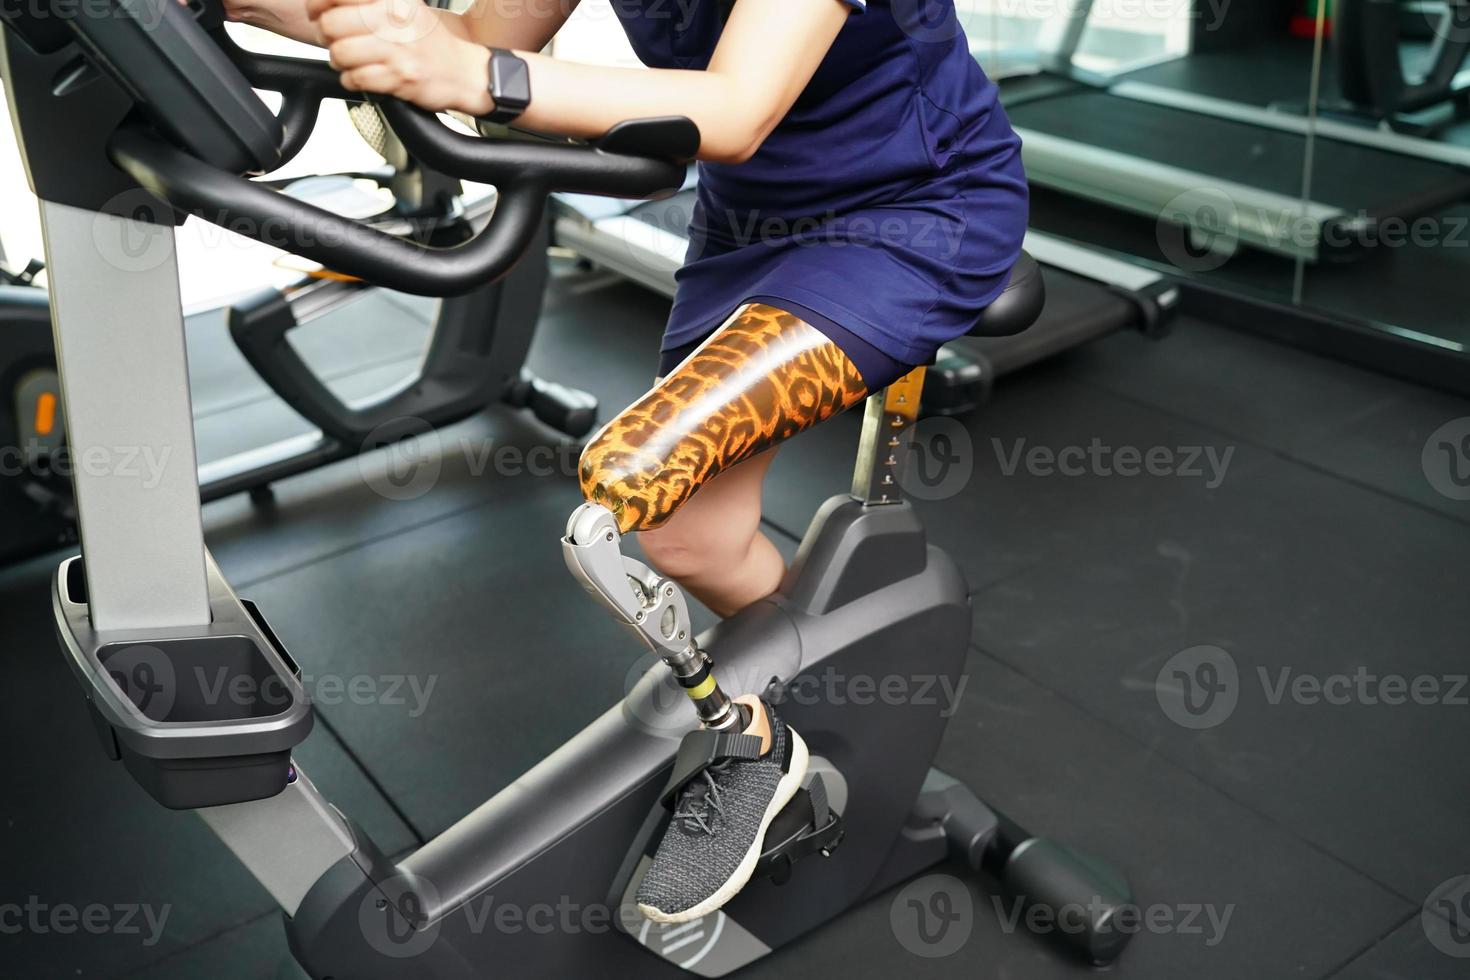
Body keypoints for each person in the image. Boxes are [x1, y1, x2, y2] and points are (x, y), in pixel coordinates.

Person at [228, 0, 1028, 924]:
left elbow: (732, 111)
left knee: (629, 484)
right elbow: (481, 43)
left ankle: (752, 740)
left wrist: (476, 78)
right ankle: (823, 726)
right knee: (689, 540)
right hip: (752, 223)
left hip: (912, 214)